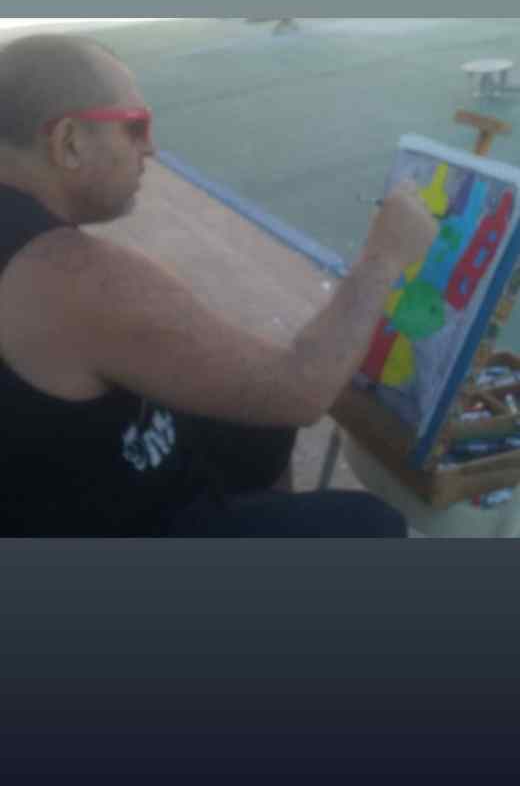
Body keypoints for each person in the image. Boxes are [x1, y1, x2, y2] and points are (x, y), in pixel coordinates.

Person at [0, 33, 438, 537]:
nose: (151, 148)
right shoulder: (69, 274)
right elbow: (301, 389)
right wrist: (385, 256)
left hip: (51, 491)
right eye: (135, 128)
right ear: (69, 142)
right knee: (370, 525)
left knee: (259, 427)